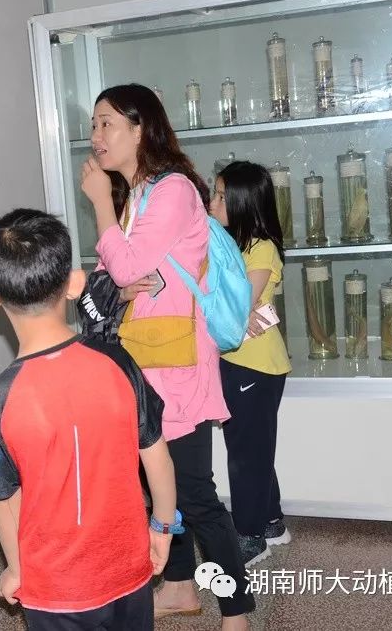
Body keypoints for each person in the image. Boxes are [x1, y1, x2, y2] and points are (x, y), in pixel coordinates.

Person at [79, 83, 253, 629]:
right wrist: (120, 268)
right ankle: (178, 585)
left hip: (176, 367)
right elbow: (116, 274)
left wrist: (101, 205)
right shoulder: (138, 197)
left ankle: (238, 611)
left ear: (140, 130)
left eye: (107, 123)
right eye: (94, 124)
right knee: (157, 488)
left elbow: (128, 266)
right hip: (141, 361)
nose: (96, 135)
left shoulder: (172, 190)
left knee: (194, 492)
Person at [0, 208, 179, 631]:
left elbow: (2, 498)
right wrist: (162, 526)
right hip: (128, 567)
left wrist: (17, 568)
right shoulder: (119, 363)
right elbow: (157, 454)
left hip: (54, 588)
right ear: (75, 283)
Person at [211, 161, 293, 567]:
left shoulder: (262, 249)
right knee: (252, 447)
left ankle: (250, 536)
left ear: (244, 203)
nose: (212, 203)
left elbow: (239, 307)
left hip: (256, 366)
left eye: (221, 197)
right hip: (236, 361)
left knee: (246, 454)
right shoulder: (233, 246)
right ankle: (271, 522)